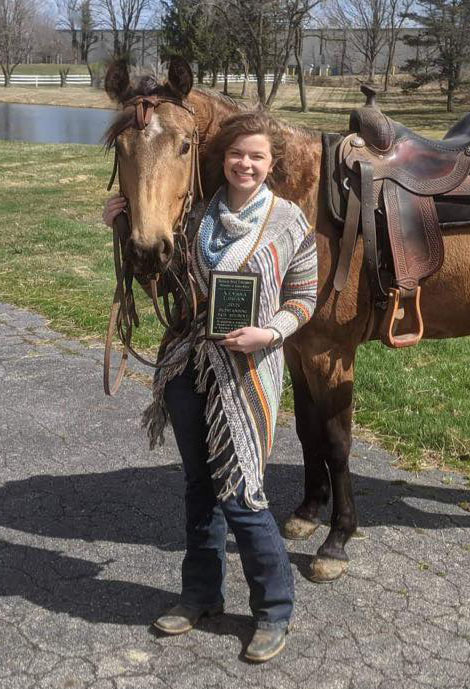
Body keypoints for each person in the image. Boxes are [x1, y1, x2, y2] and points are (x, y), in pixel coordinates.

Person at [102, 112, 318, 663]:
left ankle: (274, 610)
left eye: (257, 156)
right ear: (221, 159)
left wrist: (269, 332)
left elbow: (305, 298)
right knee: (199, 487)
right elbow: (160, 282)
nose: (245, 164)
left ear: (271, 163)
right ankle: (201, 594)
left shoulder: (290, 222)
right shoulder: (195, 217)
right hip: (186, 365)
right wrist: (123, 230)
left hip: (246, 374)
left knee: (242, 492)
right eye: (236, 154)